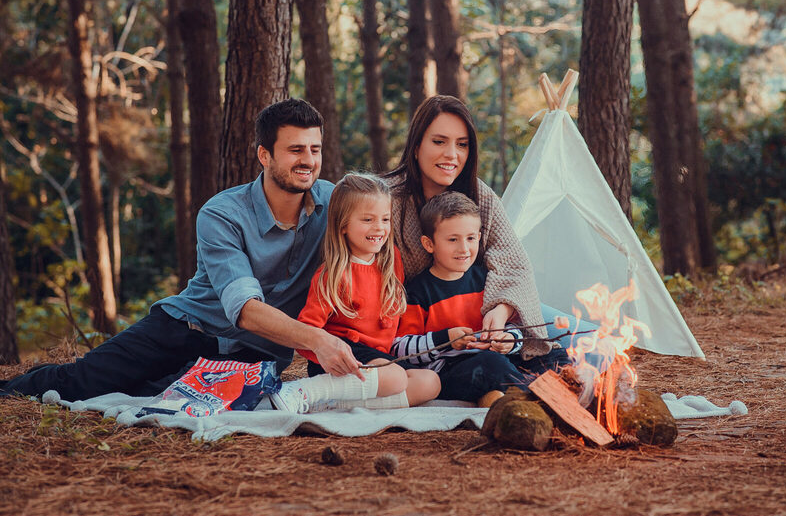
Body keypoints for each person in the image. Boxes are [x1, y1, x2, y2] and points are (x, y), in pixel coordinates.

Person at [2, 99, 363, 402]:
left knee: (156, 397)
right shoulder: (222, 214)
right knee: (80, 385)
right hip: (184, 329)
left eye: (314, 149)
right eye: (295, 150)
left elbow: (377, 216)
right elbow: (246, 311)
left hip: (257, 354)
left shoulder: (334, 203)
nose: (308, 160)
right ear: (264, 156)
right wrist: (319, 340)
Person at [383, 95, 554, 359]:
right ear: (416, 147)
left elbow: (514, 264)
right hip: (421, 331)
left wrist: (501, 310)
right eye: (439, 142)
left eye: (461, 145)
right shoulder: (388, 200)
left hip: (479, 318)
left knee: (582, 340)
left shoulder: (480, 196)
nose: (451, 154)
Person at [270, 173, 440, 413]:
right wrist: (328, 358)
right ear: (343, 225)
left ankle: (332, 403)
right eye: (368, 219)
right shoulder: (334, 273)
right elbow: (306, 332)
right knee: (395, 378)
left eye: (385, 219)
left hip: (377, 361)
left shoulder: (392, 261)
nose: (379, 228)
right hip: (340, 359)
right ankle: (305, 391)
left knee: (429, 383)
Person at [391, 192, 569, 405]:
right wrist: (446, 339)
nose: (464, 249)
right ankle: (533, 403)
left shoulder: (486, 279)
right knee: (491, 365)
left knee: (555, 356)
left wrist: (509, 341)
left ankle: (530, 397)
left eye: (471, 238)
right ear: (429, 244)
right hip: (453, 372)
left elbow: (517, 328)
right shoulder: (419, 291)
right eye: (453, 240)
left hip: (501, 360)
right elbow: (400, 348)